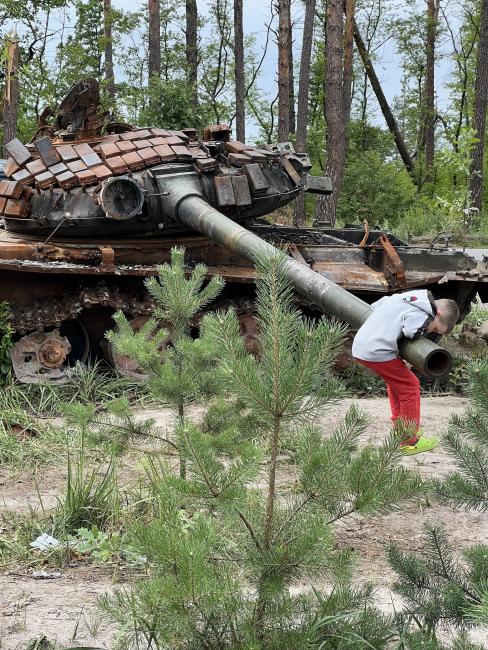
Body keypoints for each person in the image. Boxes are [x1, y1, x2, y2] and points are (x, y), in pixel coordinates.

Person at [352, 289, 459, 455]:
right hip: (377, 350)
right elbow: (411, 330)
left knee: (396, 383)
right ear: (437, 314)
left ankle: (400, 428)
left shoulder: (410, 298)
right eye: (435, 329)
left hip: (363, 345)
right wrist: (421, 331)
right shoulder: (424, 313)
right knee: (411, 385)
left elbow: (378, 304)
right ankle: (409, 440)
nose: (430, 331)